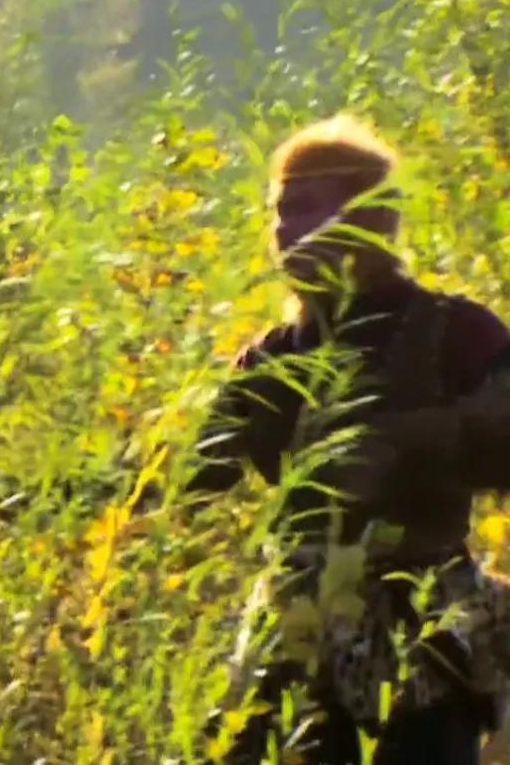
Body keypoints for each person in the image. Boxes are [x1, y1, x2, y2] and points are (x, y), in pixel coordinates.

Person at [191, 115, 510, 764]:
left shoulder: (458, 335)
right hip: (295, 639)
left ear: (370, 218)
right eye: (278, 211)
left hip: (420, 644)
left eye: (304, 207)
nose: (284, 229)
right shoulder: (271, 358)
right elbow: (189, 481)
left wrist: (416, 441)